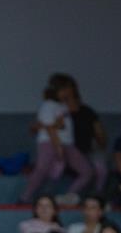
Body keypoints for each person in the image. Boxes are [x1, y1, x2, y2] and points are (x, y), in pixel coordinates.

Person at [20, 73, 94, 205]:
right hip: (50, 142)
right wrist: (58, 146)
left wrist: (69, 97)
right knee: (42, 169)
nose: (69, 92)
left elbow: (75, 108)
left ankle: (67, 197)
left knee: (86, 171)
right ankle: (25, 198)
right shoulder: (48, 105)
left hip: (67, 144)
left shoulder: (63, 106)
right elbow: (50, 129)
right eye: (67, 89)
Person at [64, 75, 109, 194]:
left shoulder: (87, 111)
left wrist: (100, 141)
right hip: (69, 151)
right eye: (67, 100)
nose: (72, 103)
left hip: (89, 149)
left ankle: (97, 195)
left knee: (101, 169)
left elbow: (100, 133)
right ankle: (69, 196)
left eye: (74, 98)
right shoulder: (60, 114)